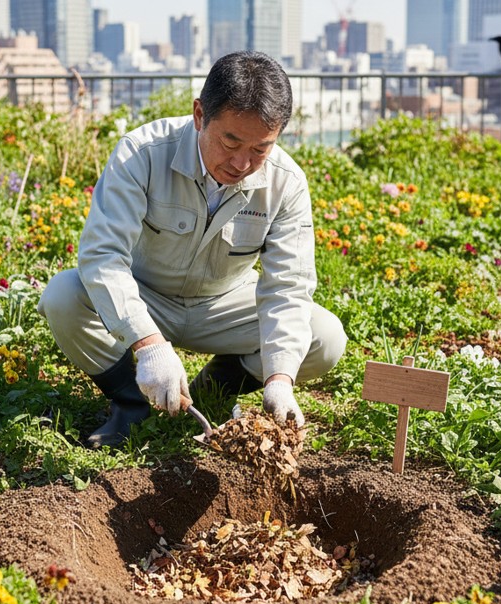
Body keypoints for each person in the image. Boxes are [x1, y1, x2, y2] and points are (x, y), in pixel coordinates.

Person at [37, 51, 347, 448]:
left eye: (260, 149)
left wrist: (279, 380)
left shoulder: (286, 183)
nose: (241, 163)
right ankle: (131, 403)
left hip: (223, 304)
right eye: (230, 141)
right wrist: (147, 344)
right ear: (200, 114)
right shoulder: (142, 154)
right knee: (64, 295)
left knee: (324, 336)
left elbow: (288, 288)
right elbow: (104, 257)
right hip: (147, 296)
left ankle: (209, 392)